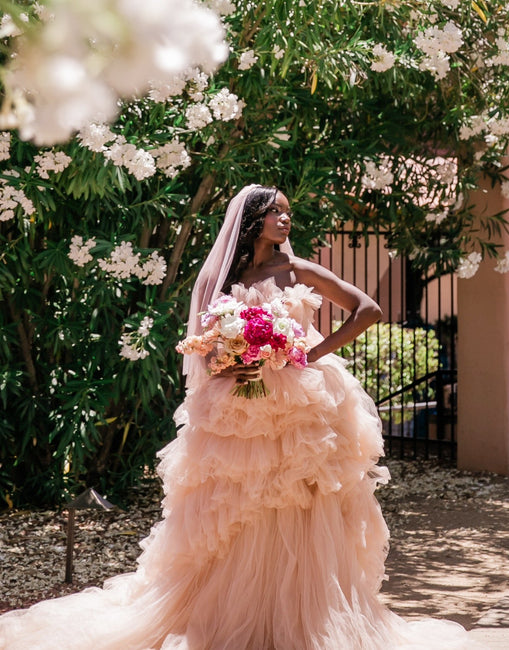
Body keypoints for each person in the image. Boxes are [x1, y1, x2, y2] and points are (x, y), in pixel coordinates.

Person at [0, 185, 477, 649]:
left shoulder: (295, 268)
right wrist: (235, 362)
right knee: (238, 506)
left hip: (300, 405)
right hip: (238, 409)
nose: (286, 220)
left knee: (302, 504)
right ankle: (234, 611)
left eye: (288, 213)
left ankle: (303, 617)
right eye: (277, 213)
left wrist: (309, 356)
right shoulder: (220, 280)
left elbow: (366, 309)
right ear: (252, 221)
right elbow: (205, 354)